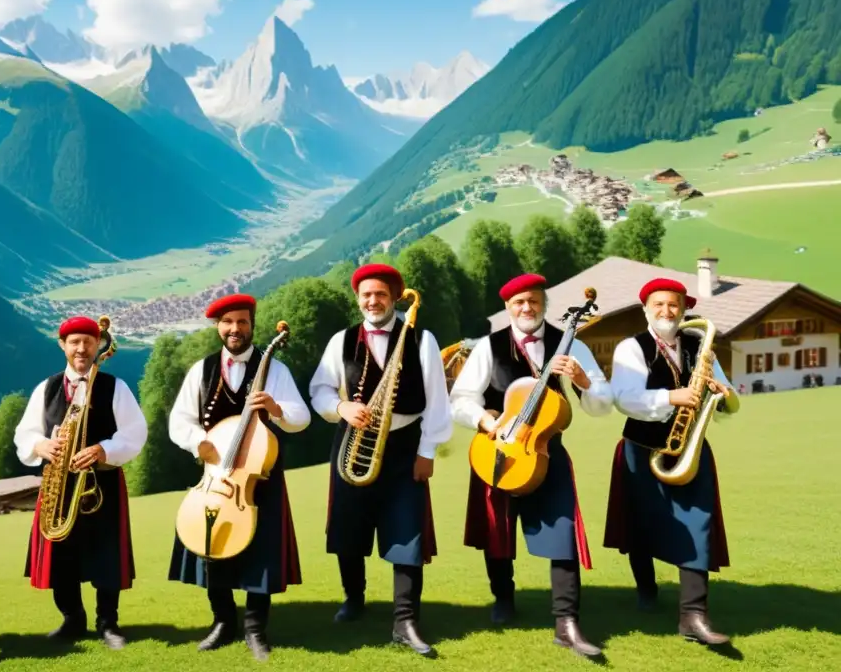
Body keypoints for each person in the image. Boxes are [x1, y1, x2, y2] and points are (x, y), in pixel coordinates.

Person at [449, 274, 612, 658]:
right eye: (519, 302)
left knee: (563, 535)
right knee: (498, 533)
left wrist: (584, 380)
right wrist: (486, 421)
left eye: (534, 301)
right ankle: (503, 597)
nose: (527, 308)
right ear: (508, 308)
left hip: (547, 452)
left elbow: (603, 402)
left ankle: (567, 623)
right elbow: (460, 400)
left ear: (544, 304)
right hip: (499, 449)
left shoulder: (570, 343)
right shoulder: (489, 348)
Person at [309, 264, 452, 658]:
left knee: (407, 530)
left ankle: (405, 621)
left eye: (381, 294)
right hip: (352, 442)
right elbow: (318, 389)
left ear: (394, 298)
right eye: (367, 295)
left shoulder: (421, 339)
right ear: (358, 299)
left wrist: (427, 453)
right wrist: (341, 407)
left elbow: (438, 401)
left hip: (405, 445)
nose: (373, 301)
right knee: (348, 527)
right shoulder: (342, 340)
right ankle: (354, 599)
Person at [167, 294, 310, 662]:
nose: (235, 329)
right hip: (215, 478)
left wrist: (277, 410)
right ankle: (222, 621)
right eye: (228, 322)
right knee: (212, 548)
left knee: (261, 554)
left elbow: (301, 417)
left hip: (259, 480)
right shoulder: (202, 370)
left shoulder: (273, 368)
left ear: (252, 325)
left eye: (242, 322)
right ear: (218, 327)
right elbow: (179, 422)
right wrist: (197, 442)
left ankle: (255, 628)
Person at [604, 278, 740, 646]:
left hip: (690, 448)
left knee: (698, 522)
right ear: (646, 308)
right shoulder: (631, 348)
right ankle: (646, 589)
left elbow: (723, 392)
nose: (667, 311)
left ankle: (693, 616)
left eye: (674, 305)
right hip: (641, 447)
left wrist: (722, 392)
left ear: (683, 308)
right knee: (641, 524)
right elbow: (625, 398)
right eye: (660, 304)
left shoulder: (700, 344)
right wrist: (672, 397)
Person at [14, 315, 147, 650]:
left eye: (88, 341)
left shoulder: (115, 386)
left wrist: (103, 449)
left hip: (101, 483)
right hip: (59, 482)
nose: (81, 348)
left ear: (97, 345)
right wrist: (40, 446)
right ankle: (72, 618)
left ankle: (108, 623)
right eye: (74, 342)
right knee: (61, 554)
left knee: (106, 554)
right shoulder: (46, 388)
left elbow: (135, 433)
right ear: (63, 346)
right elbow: (24, 433)